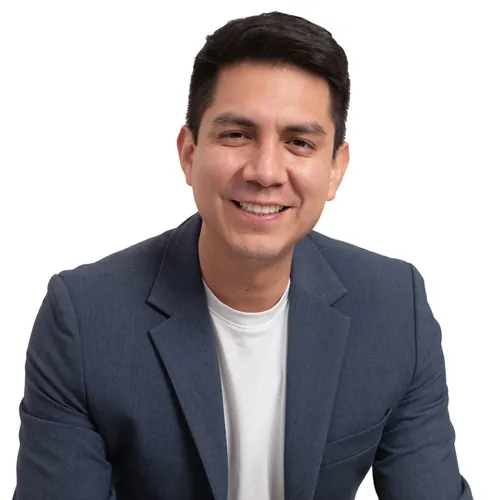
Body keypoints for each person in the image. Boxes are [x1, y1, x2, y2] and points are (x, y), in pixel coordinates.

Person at [13, 11, 473, 500]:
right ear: (189, 153)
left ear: (335, 169)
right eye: (237, 135)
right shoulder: (84, 320)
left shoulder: (396, 309)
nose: (266, 171)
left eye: (299, 142)